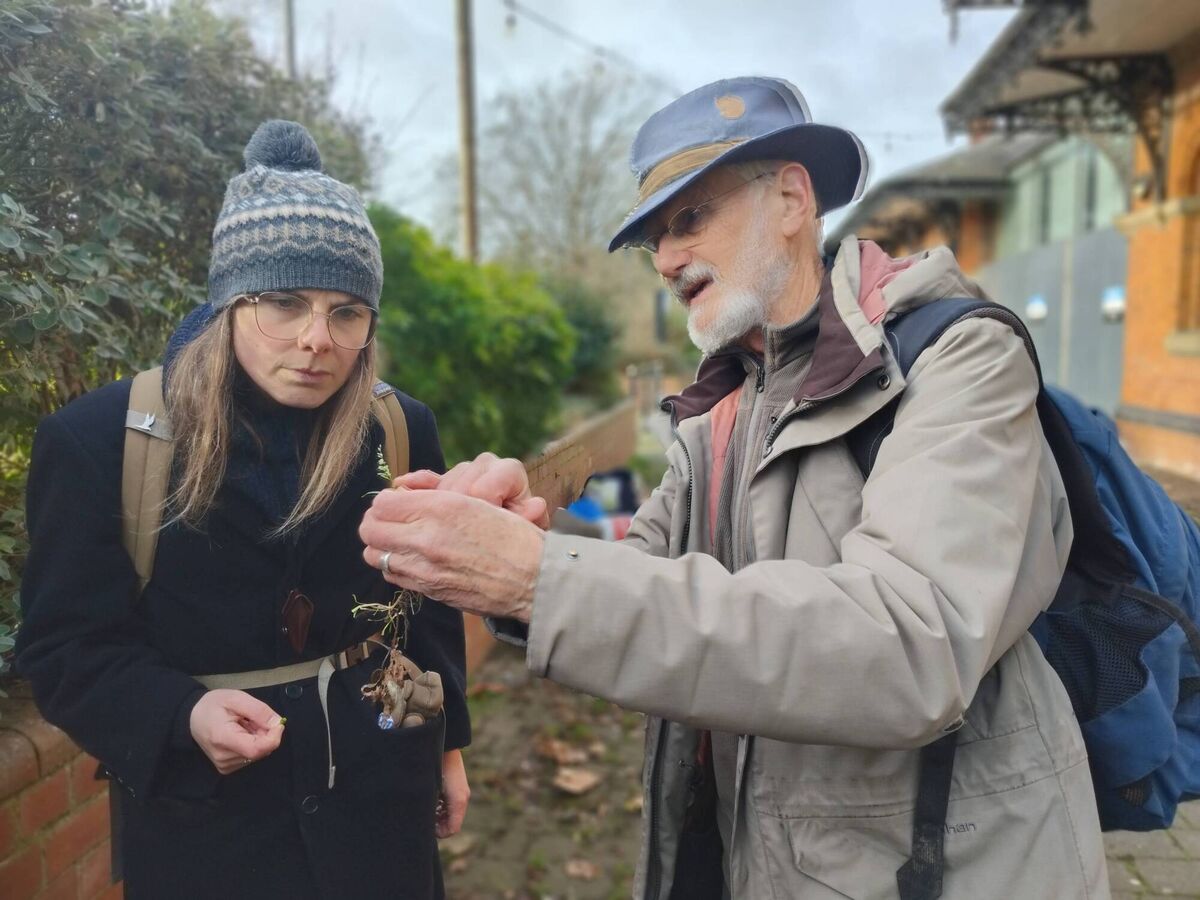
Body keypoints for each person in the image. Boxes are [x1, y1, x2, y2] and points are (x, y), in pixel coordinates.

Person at [358, 78, 1109, 898]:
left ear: (791, 198)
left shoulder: (961, 361)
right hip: (751, 855)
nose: (668, 259)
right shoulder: (720, 406)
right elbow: (642, 566)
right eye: (655, 238)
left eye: (689, 219)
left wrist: (537, 578)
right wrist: (528, 539)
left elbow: (912, 644)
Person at [17, 120, 470, 899]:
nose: (316, 340)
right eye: (283, 303)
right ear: (229, 302)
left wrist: (448, 747)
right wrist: (178, 717)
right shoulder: (100, 443)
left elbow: (426, 608)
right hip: (209, 836)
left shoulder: (399, 428)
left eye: (346, 312)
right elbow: (64, 647)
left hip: (379, 819)